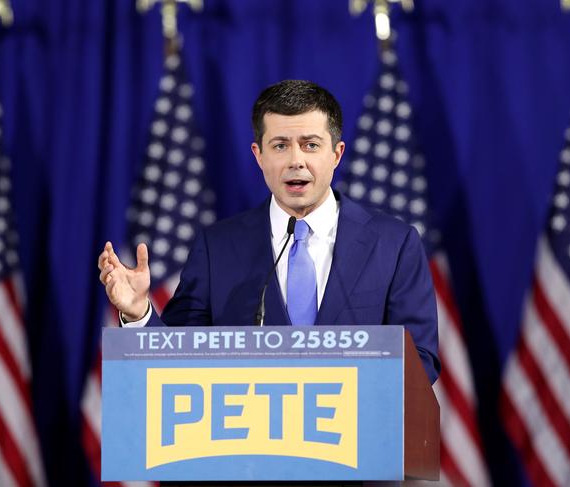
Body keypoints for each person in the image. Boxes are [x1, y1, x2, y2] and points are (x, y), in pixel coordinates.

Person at [98, 79, 440, 383]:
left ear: (337, 154)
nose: (296, 161)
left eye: (310, 145)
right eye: (280, 146)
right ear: (258, 155)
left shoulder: (393, 244)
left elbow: (421, 362)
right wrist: (137, 311)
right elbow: (175, 362)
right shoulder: (218, 247)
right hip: (248, 450)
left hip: (357, 446)